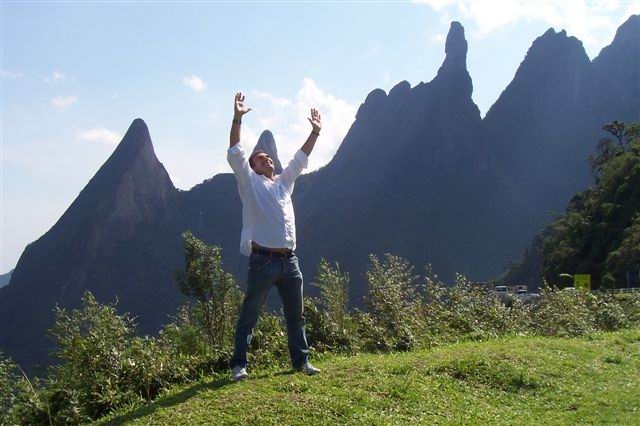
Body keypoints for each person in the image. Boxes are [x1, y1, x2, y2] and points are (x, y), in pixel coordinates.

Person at [227, 91, 322, 381]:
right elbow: (235, 152)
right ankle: (238, 366)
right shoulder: (249, 184)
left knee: (296, 316)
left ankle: (300, 362)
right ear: (253, 168)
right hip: (263, 260)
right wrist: (237, 119)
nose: (267, 159)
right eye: (260, 158)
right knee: (250, 315)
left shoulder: (283, 185)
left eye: (268, 157)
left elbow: (299, 159)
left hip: (289, 262)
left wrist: (315, 133)